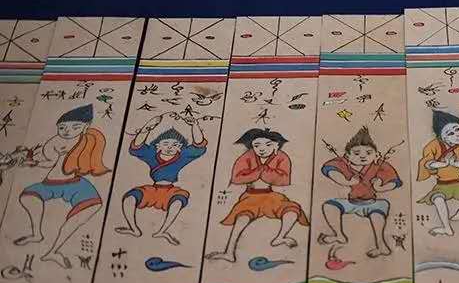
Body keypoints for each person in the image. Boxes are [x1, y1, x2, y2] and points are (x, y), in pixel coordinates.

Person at [16, 104, 109, 268]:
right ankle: (36, 234)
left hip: (75, 184)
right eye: (62, 127)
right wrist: (33, 163)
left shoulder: (88, 142)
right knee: (27, 197)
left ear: (85, 127)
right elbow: (49, 163)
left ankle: (53, 251)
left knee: (92, 206)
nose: (67, 131)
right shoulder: (54, 142)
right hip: (50, 183)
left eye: (75, 127)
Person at [207, 128, 308, 262]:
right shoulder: (247, 156)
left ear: (276, 145)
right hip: (250, 196)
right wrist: (258, 170)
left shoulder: (281, 157)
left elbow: (284, 179)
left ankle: (280, 237)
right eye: (256, 145)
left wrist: (265, 170)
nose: (262, 149)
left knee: (292, 209)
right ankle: (229, 253)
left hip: (271, 195)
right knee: (241, 218)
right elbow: (237, 178)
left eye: (268, 145)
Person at [115, 112, 207, 245]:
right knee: (129, 198)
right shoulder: (152, 154)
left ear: (180, 148)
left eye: (175, 145)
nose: (170, 147)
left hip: (170, 190)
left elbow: (198, 147)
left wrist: (195, 125)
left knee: (178, 201)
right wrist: (148, 127)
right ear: (157, 146)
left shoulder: (182, 157)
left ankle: (163, 230)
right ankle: (133, 228)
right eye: (166, 143)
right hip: (152, 190)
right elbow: (137, 147)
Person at [319, 126, 402, 258]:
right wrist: (346, 182)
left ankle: (381, 245)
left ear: (376, 155)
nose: (363, 156)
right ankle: (339, 235)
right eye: (357, 153)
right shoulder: (344, 164)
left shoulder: (379, 165)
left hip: (372, 203)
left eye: (369, 153)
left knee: (378, 212)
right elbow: (330, 170)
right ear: (347, 155)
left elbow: (394, 181)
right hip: (350, 202)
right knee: (329, 206)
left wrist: (380, 187)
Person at [416, 111, 459, 236]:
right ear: (442, 137)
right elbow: (427, 163)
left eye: (458, 129)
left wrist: (457, 164)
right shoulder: (433, 146)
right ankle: (446, 228)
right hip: (442, 184)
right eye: (451, 133)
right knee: (438, 199)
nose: (457, 134)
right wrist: (441, 164)